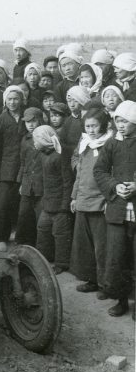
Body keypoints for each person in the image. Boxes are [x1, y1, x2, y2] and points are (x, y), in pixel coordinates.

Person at [93, 100, 136, 319]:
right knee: (118, 256)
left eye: (126, 121)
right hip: (118, 208)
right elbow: (99, 170)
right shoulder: (112, 144)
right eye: (117, 120)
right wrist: (115, 186)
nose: (120, 125)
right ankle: (121, 301)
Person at [70, 109, 113, 297]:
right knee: (85, 245)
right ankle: (91, 279)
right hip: (83, 200)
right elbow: (80, 173)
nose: (91, 130)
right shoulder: (84, 144)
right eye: (88, 126)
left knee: (102, 246)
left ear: (102, 125)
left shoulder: (109, 145)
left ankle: (105, 284)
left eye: (94, 126)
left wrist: (108, 199)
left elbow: (112, 175)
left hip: (100, 202)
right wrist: (74, 197)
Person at [0, 85, 27, 252]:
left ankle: (23, 238)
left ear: (21, 100)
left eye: (16, 99)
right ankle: (0, 237)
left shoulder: (27, 116)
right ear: (5, 100)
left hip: (25, 167)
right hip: (7, 168)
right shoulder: (1, 119)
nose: (12, 102)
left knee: (23, 205)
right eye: (9, 99)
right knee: (2, 205)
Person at [33, 125, 74, 274]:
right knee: (43, 228)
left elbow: (67, 181)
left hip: (60, 205)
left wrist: (64, 205)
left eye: (36, 139)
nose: (34, 143)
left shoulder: (59, 155)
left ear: (44, 139)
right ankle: (44, 259)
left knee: (61, 234)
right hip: (48, 202)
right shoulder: (44, 154)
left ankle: (61, 264)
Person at [15, 108, 44, 246]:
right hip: (27, 184)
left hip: (42, 184)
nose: (30, 125)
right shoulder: (25, 140)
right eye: (27, 122)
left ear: (40, 120)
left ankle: (39, 247)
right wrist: (21, 182)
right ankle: (20, 246)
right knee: (23, 215)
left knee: (40, 217)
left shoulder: (47, 137)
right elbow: (23, 162)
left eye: (33, 121)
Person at [59, 86, 91, 162]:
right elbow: (62, 140)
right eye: (69, 101)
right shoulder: (68, 120)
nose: (72, 104)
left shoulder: (88, 119)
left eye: (75, 101)